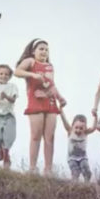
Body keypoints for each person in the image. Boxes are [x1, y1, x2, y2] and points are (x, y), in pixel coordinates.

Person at [14, 38, 66, 175]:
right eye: (41, 49)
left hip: (50, 102)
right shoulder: (31, 62)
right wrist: (32, 74)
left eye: (46, 49)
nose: (44, 51)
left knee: (50, 137)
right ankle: (32, 168)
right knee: (36, 135)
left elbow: (51, 84)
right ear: (33, 51)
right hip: (35, 102)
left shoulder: (50, 66)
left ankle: (48, 169)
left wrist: (60, 98)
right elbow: (17, 72)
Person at [60, 108, 97, 182]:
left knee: (85, 167)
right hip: (71, 158)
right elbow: (64, 121)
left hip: (83, 157)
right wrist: (61, 111)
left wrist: (96, 117)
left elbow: (93, 128)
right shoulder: (70, 131)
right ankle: (74, 184)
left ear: (85, 128)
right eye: (76, 127)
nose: (78, 130)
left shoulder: (85, 133)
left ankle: (87, 179)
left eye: (81, 128)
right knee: (75, 171)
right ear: (72, 126)